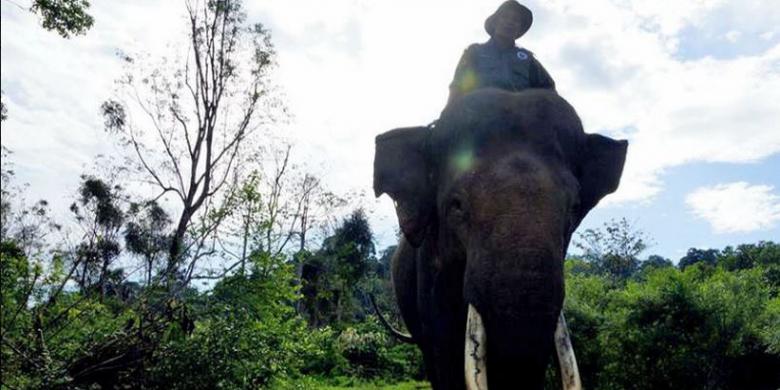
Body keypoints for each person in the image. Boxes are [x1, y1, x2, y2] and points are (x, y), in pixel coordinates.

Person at [447, 1, 555, 106]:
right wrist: (448, 115)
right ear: (495, 23)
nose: (510, 22)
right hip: (479, 117)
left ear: (519, 29)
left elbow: (549, 91)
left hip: (518, 118)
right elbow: (458, 86)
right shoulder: (474, 51)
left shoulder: (527, 59)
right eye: (505, 17)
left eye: (516, 20)